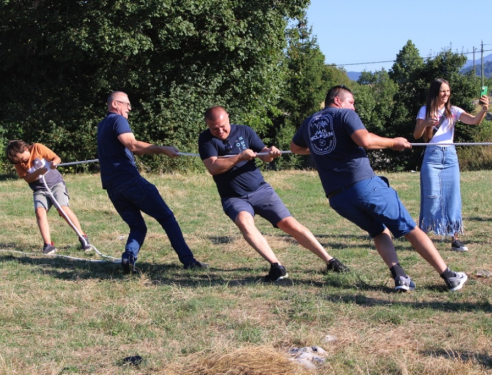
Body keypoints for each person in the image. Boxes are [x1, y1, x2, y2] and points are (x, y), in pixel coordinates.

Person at [290, 85, 467, 292]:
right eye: (351, 102)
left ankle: (400, 277)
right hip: (364, 186)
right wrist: (393, 142)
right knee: (410, 228)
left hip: (337, 198)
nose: (353, 108)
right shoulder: (344, 115)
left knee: (378, 231)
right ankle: (449, 277)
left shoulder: (310, 122)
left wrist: (324, 146)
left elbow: (294, 148)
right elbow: (364, 140)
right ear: (338, 100)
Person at [198, 106, 349, 282]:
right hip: (234, 197)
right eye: (214, 128)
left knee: (289, 224)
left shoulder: (244, 131)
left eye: (223, 126)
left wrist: (270, 153)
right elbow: (213, 167)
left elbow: (263, 155)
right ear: (208, 125)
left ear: (228, 118)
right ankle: (277, 267)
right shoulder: (206, 139)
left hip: (261, 190)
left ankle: (330, 261)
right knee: (243, 222)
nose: (220, 131)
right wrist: (239, 157)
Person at [97, 91, 207, 274]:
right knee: (166, 217)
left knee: (138, 226)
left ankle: (128, 257)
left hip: (112, 187)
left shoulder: (102, 125)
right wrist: (163, 149)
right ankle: (188, 261)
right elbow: (132, 144)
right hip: (128, 180)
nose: (129, 109)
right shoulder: (118, 120)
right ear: (115, 104)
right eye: (127, 104)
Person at [414, 78, 489, 252]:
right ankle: (423, 238)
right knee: (431, 197)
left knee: (452, 197)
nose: (446, 94)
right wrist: (425, 124)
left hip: (450, 157)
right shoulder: (425, 110)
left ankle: (454, 239)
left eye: (448, 91)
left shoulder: (453, 111)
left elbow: (474, 121)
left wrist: (484, 110)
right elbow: (417, 136)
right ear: (435, 92)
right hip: (432, 157)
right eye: (442, 91)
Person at [6, 140, 91, 254]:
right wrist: (39, 172)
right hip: (39, 190)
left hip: (56, 184)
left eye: (22, 159)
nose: (22, 162)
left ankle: (82, 237)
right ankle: (48, 245)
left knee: (63, 209)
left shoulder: (37, 148)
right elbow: (27, 179)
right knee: (40, 212)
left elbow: (57, 158)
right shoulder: (18, 164)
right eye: (19, 161)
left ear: (25, 149)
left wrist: (54, 163)